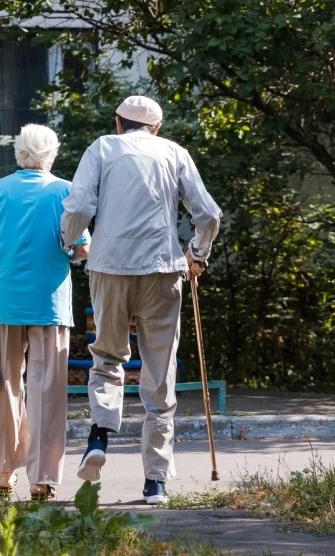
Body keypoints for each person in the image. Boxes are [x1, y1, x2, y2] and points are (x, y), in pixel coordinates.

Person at [60, 95, 221, 505]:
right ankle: (156, 482)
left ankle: (99, 435)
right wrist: (197, 255)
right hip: (162, 269)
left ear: (117, 123)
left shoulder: (102, 148)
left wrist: (69, 242)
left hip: (110, 266)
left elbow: (79, 206)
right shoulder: (174, 153)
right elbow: (209, 215)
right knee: (160, 370)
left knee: (108, 358)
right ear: (157, 127)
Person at [0, 123, 89, 500]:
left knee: (7, 386)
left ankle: (6, 471)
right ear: (52, 153)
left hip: (3, 303)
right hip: (50, 304)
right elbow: (83, 248)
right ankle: (42, 478)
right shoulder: (66, 192)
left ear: (19, 152)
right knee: (48, 389)